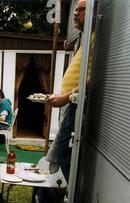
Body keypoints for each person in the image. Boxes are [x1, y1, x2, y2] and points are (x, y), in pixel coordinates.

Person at [46, 0, 94, 181]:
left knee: (64, 152)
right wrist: (62, 96)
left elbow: (93, 77)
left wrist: (66, 97)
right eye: (75, 9)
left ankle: (65, 202)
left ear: (93, 12)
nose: (75, 13)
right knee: (61, 151)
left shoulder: (95, 37)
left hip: (78, 104)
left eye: (81, 10)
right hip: (72, 102)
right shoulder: (86, 37)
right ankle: (58, 198)